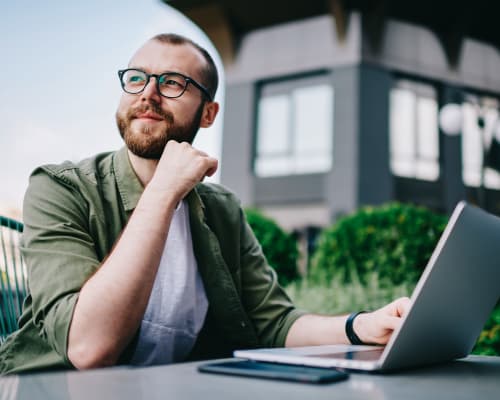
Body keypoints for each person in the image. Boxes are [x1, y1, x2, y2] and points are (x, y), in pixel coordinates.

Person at [0, 33, 410, 374]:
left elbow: (275, 322)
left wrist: (364, 326)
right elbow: (89, 348)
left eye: (173, 82)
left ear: (208, 113)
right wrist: (162, 191)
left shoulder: (221, 209)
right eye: (136, 78)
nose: (149, 94)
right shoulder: (60, 188)